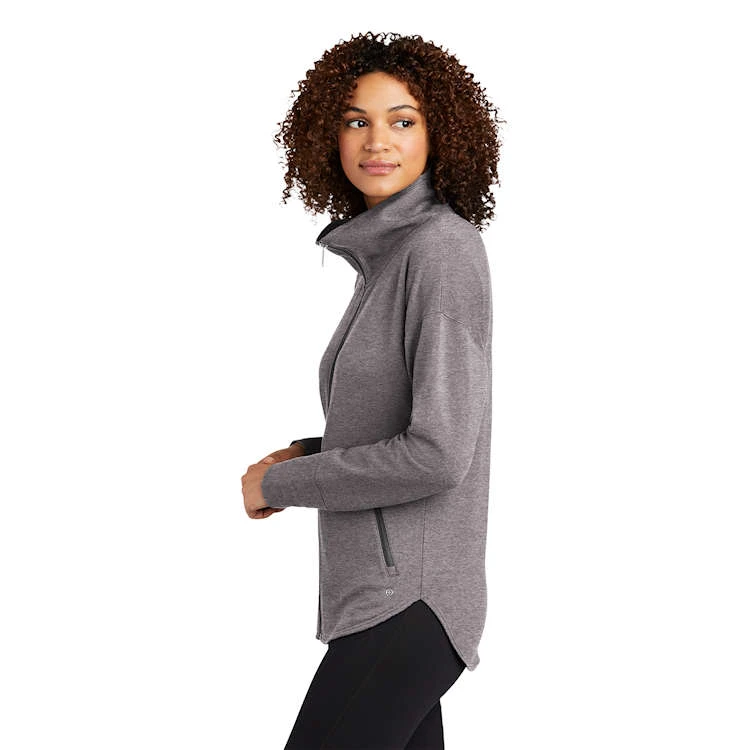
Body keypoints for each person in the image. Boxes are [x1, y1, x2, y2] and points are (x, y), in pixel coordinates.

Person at [241, 31, 503, 749]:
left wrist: (283, 483)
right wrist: (309, 452)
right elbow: (400, 424)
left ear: (440, 135)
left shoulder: (440, 250)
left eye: (402, 120)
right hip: (381, 600)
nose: (376, 140)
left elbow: (438, 453)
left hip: (408, 602)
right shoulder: (390, 259)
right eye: (356, 120)